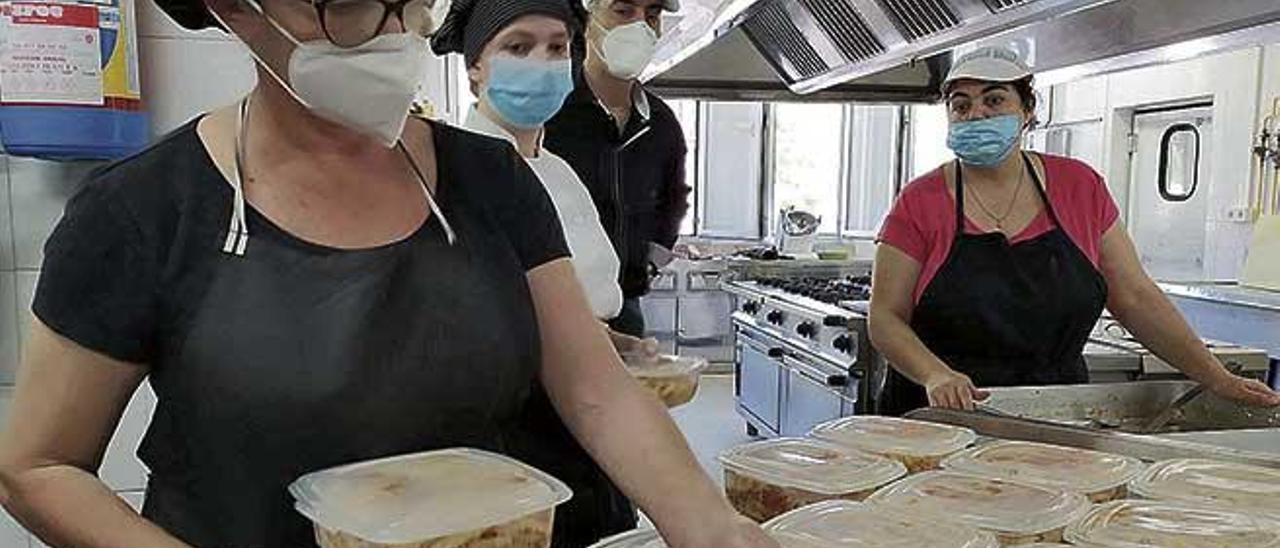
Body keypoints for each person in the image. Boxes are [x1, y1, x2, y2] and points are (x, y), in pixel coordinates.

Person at [0, 0, 780, 545]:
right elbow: (37, 465)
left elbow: (594, 389)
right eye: (348, 4)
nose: (395, 34)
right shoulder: (140, 214)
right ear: (233, 8)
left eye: (410, 5)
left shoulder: (493, 183)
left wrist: (709, 526)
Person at [869, 46, 1280, 416]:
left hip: (1051, 414)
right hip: (935, 417)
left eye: (994, 100)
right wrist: (935, 375)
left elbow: (1134, 297)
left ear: (1027, 110)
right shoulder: (919, 201)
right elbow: (885, 318)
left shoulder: (1080, 188)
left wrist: (1214, 376)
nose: (976, 114)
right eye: (961, 106)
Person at [431, 1, 643, 545]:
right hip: (511, 443)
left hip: (594, 435)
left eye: (557, 47)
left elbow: (579, 299)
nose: (543, 63)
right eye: (518, 47)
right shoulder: (448, 175)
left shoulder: (558, 170)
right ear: (475, 65)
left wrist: (614, 343)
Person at [544, 0, 690, 338]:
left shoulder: (661, 121)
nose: (640, 26)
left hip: (626, 305)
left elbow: (675, 197)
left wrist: (648, 260)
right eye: (623, 11)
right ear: (585, 21)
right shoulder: (549, 107)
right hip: (552, 310)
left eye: (651, 15)